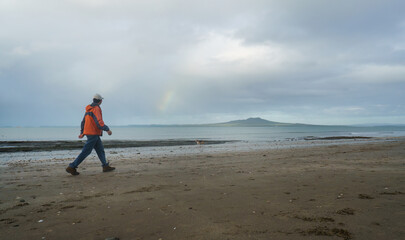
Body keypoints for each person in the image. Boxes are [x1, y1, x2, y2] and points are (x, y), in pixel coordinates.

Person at [66, 94, 115, 175]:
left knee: (100, 150)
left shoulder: (88, 109)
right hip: (93, 133)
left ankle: (105, 166)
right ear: (100, 101)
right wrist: (107, 129)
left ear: (93, 100)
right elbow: (99, 121)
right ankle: (72, 166)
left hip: (91, 133)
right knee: (86, 151)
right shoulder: (96, 109)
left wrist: (82, 132)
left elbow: (83, 122)